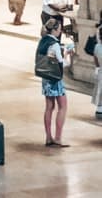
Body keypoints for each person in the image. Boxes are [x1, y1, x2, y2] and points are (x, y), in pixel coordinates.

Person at [38, 17, 68, 147]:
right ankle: (58, 137)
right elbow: (61, 63)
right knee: (63, 106)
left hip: (45, 77)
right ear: (55, 29)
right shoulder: (55, 44)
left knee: (49, 107)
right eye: (60, 28)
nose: (60, 31)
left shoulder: (43, 41)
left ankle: (48, 137)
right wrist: (67, 54)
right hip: (55, 79)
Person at [92, 24, 102, 118]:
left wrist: (98, 67)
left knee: (99, 90)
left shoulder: (97, 47)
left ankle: (99, 109)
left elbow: (96, 60)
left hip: (100, 72)